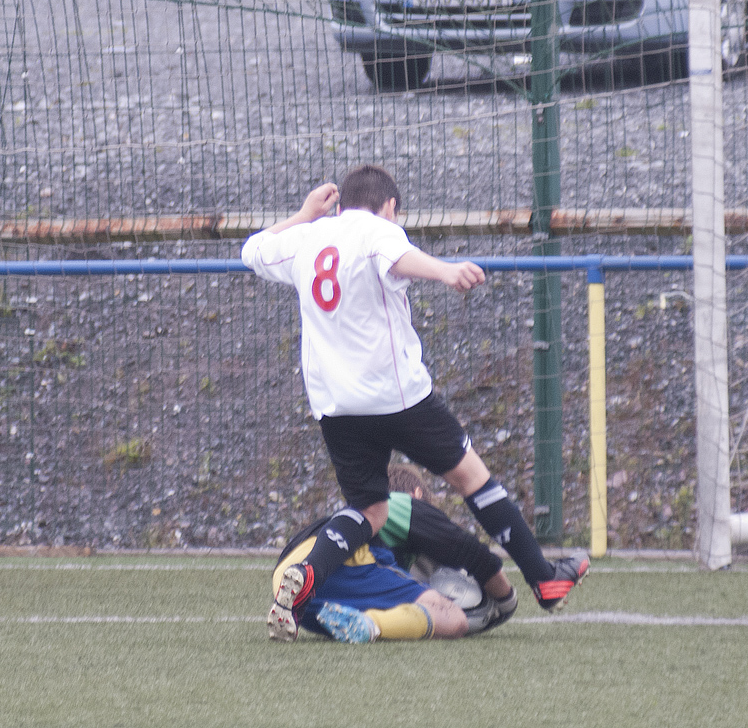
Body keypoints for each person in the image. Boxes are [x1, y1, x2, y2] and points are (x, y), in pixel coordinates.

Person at [241, 164, 589, 642]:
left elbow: (251, 251)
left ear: (341, 205)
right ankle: (543, 577)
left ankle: (309, 579)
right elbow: (398, 256)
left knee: (369, 509)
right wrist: (446, 271)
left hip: (337, 405)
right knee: (471, 478)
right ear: (390, 208)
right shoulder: (378, 231)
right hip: (398, 396)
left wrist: (302, 214)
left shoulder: (308, 238)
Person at [271, 465, 518, 642]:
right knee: (454, 620)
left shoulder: (356, 517)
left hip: (289, 574)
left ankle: (362, 621)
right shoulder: (398, 502)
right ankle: (371, 626)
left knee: (355, 614)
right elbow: (464, 545)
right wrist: (505, 599)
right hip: (346, 565)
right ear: (419, 494)